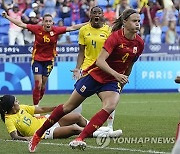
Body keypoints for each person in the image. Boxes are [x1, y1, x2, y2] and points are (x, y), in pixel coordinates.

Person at [29, 8, 144, 152]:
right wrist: (116, 74)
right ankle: (38, 134)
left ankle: (80, 138)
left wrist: (121, 83)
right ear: (125, 22)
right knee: (68, 107)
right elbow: (100, 62)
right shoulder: (114, 37)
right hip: (95, 75)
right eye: (134, 21)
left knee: (110, 105)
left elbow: (129, 65)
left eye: (139, 21)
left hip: (111, 81)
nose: (138, 24)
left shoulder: (139, 43)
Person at [2, 12, 87, 107]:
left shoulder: (56, 30)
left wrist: (87, 23)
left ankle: (38, 98)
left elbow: (72, 28)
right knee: (38, 84)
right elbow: (21, 24)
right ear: (42, 22)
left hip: (49, 60)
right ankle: (35, 107)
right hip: (37, 60)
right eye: (46, 21)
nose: (48, 23)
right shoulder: (36, 29)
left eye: (50, 21)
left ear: (52, 23)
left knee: (43, 85)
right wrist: (7, 17)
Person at [71, 6, 117, 132]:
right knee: (76, 100)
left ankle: (109, 127)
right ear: (90, 15)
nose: (97, 15)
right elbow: (81, 52)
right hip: (87, 69)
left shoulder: (108, 30)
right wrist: (77, 68)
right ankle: (78, 125)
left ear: (103, 15)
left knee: (110, 98)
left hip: (104, 69)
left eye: (99, 13)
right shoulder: (84, 30)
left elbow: (112, 51)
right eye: (94, 13)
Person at [0, 95, 118, 141]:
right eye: (16, 101)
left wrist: (55, 108)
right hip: (45, 132)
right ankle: (105, 134)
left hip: (46, 120)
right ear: (11, 106)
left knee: (77, 117)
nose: (18, 101)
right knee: (74, 128)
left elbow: (40, 109)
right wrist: (27, 138)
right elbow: (14, 136)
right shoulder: (9, 119)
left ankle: (100, 129)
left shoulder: (22, 107)